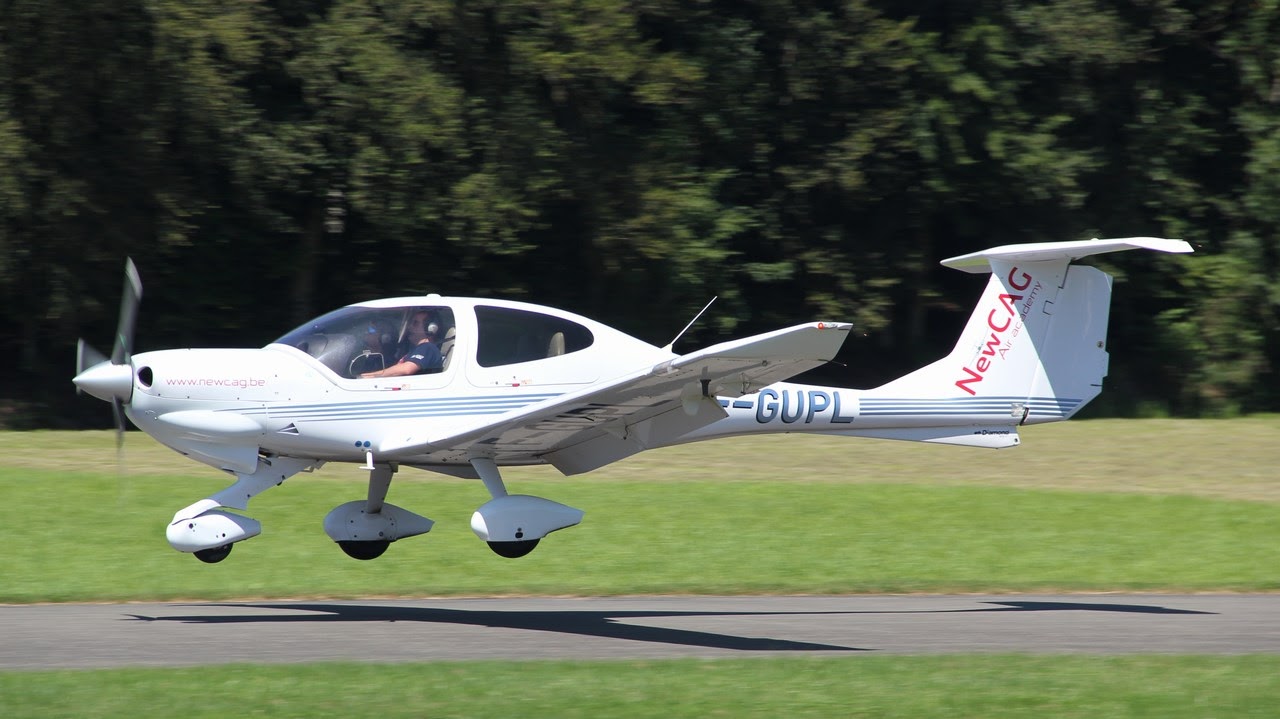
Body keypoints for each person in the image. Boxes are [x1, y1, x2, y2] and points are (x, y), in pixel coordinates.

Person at [360, 310, 444, 378]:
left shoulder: (428, 348)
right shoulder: (415, 349)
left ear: (430, 329)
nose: (410, 327)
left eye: (415, 323)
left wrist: (370, 376)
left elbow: (407, 369)